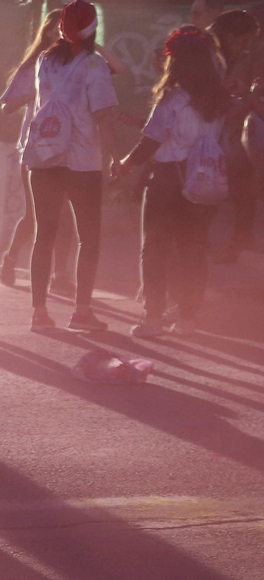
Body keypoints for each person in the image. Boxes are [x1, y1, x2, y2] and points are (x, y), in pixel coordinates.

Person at [111, 26, 233, 337]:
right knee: (193, 250)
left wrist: (125, 165)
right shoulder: (220, 100)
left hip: (168, 179)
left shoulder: (173, 98)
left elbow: (151, 140)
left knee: (155, 248)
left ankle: (152, 318)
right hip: (205, 179)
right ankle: (188, 318)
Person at [22, 0, 120, 333]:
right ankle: (81, 312)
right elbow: (103, 115)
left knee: (44, 234)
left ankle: (39, 312)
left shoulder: (45, 60)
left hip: (45, 156)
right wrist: (116, 156)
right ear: (93, 29)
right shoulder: (94, 64)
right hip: (83, 161)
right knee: (88, 238)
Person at [0, 10, 78, 291]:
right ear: (45, 33)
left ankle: (60, 276)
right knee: (36, 216)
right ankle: (10, 258)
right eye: (53, 29)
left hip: (67, 149)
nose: (58, 35)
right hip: (34, 148)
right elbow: (6, 106)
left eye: (63, 30)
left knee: (65, 216)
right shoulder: (32, 66)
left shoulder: (75, 65)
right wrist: (34, 93)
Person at [211, 9, 261, 260]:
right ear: (230, 36)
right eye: (244, 39)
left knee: (242, 188)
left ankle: (240, 240)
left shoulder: (245, 57)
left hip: (235, 131)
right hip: (215, 131)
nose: (247, 45)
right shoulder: (209, 57)